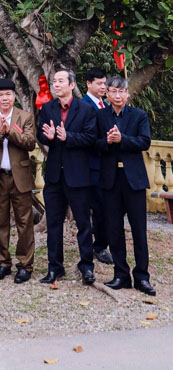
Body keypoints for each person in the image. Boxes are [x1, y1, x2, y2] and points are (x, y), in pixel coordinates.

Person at [37, 68, 97, 285]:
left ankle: (87, 268)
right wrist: (49, 136)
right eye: (54, 81)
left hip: (78, 175)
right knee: (53, 223)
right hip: (54, 175)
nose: (56, 84)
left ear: (72, 85)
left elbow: (91, 137)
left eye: (61, 81)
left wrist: (67, 137)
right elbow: (39, 132)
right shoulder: (47, 108)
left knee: (83, 223)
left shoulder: (85, 109)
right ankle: (55, 268)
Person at [97, 75, 155, 295]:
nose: (118, 95)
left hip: (134, 180)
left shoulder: (138, 115)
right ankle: (121, 274)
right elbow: (94, 143)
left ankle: (142, 277)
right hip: (110, 179)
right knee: (114, 229)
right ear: (108, 94)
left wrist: (122, 139)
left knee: (139, 229)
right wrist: (108, 141)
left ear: (128, 93)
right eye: (113, 91)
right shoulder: (100, 116)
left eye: (122, 91)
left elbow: (145, 141)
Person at [0, 77, 36, 283]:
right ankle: (2, 263)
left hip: (19, 176)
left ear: (14, 97)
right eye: (0, 95)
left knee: (24, 223)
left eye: (8, 94)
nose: (5, 98)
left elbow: (30, 142)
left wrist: (9, 131)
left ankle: (25, 265)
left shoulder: (25, 116)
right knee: (0, 223)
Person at [82, 67, 114, 265]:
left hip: (107, 165)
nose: (103, 87)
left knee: (107, 206)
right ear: (88, 83)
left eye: (105, 83)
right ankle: (97, 246)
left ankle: (101, 243)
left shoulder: (106, 105)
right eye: (99, 83)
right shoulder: (83, 106)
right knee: (97, 207)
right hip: (90, 165)